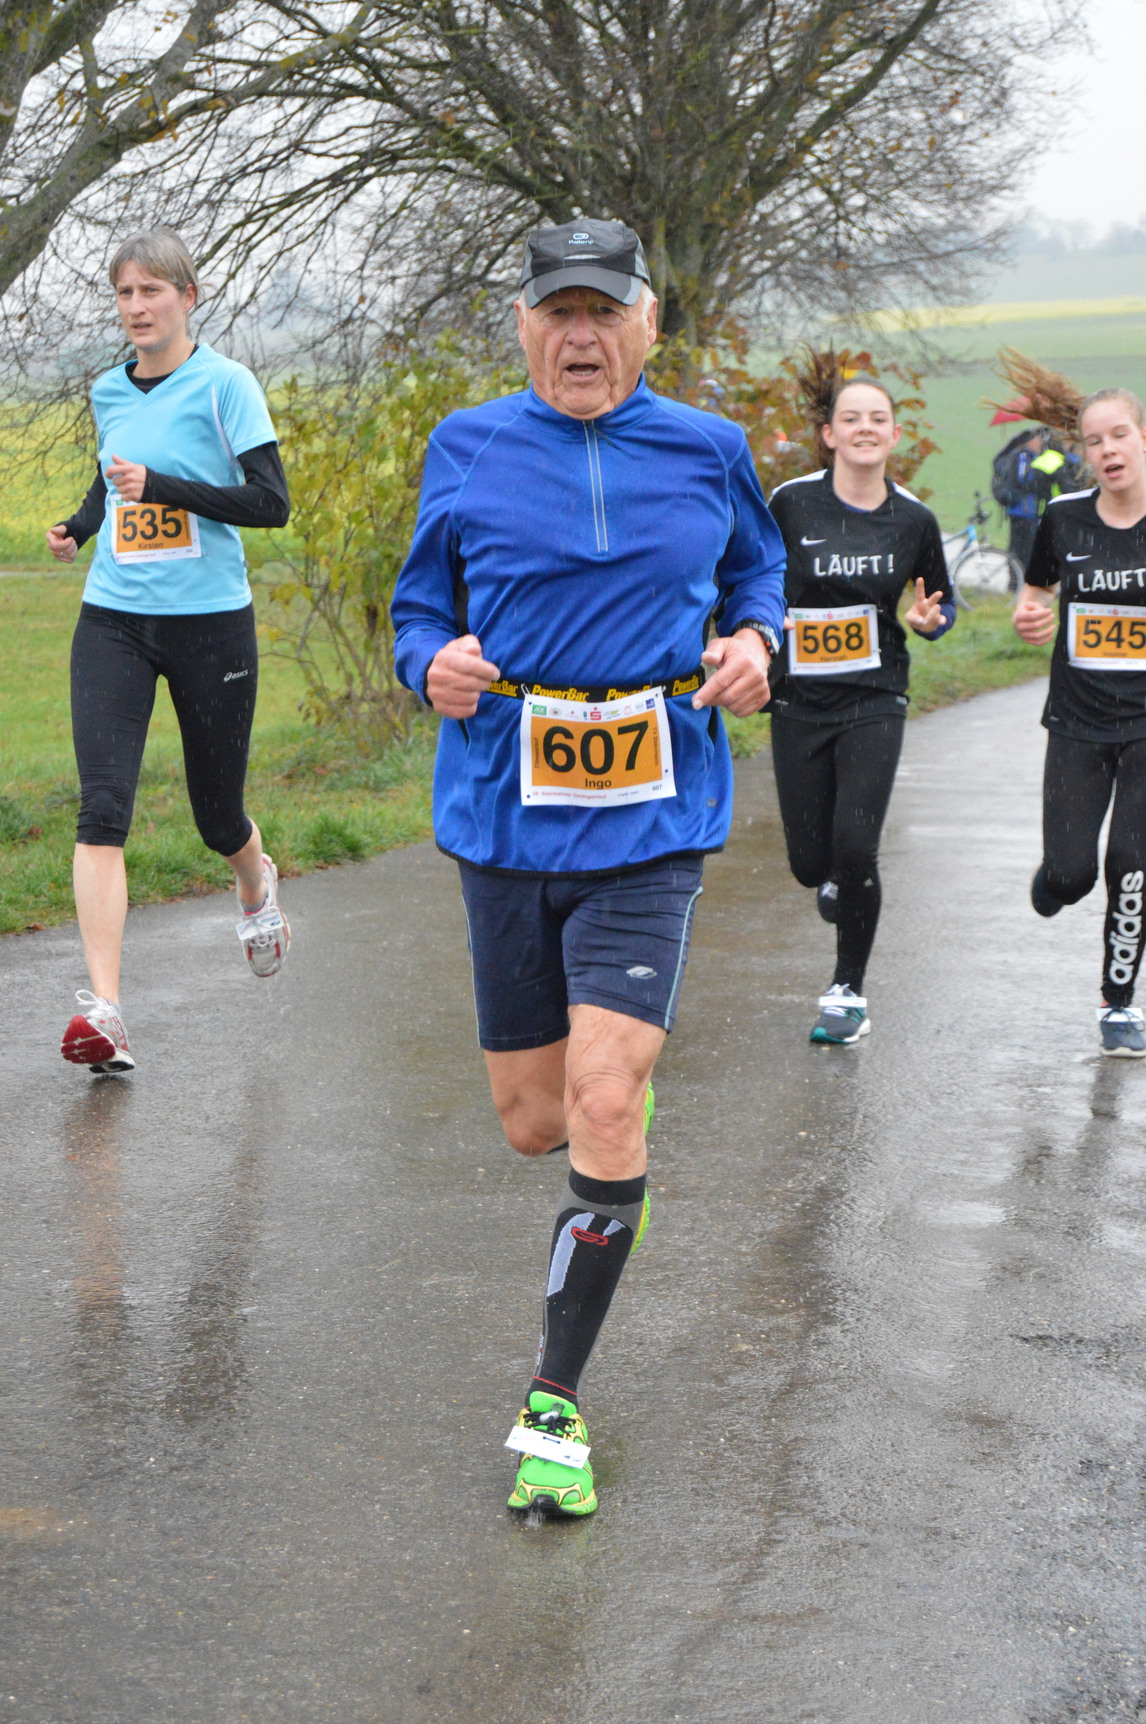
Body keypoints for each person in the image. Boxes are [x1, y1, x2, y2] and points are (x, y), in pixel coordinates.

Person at [391, 218, 786, 1518]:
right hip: (505, 812)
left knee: (605, 1097)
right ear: (521, 325)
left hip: (654, 815)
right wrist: (431, 663)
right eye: (556, 312)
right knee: (536, 1120)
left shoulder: (709, 449)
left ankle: (552, 1409)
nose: (579, 335)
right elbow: (417, 609)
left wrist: (756, 643)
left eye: (602, 311)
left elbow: (757, 574)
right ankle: (610, 1161)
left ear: (647, 323)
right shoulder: (467, 446)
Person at [46, 227, 292, 1077]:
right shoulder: (106, 390)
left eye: (152, 290)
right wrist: (81, 526)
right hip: (112, 620)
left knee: (215, 815)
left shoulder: (227, 386)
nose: (137, 306)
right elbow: (112, 477)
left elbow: (270, 503)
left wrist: (166, 490)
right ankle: (106, 1011)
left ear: (188, 297)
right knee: (101, 808)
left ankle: (254, 881)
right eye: (125, 293)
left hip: (210, 624)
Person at [765, 354, 955, 1044]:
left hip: (876, 697)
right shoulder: (791, 503)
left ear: (894, 435)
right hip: (798, 699)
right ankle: (833, 881)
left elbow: (940, 604)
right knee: (808, 864)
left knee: (856, 845)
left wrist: (930, 622)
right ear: (830, 435)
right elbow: (751, 577)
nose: (866, 428)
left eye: (879, 418)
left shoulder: (914, 519)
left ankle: (847, 992)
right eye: (852, 419)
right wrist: (759, 627)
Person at [1012, 378, 1146, 1057]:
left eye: (1119, 435)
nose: (1108, 450)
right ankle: (1055, 878)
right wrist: (1029, 615)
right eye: (1095, 441)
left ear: (1143, 438)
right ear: (1085, 454)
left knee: (1132, 865)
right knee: (1072, 875)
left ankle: (1118, 1002)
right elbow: (1035, 592)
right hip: (1076, 722)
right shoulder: (1064, 518)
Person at [991, 422, 1083, 584]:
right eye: (1037, 439)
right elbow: (1029, 482)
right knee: (1024, 551)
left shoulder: (1039, 458)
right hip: (1025, 511)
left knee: (1021, 550)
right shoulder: (1030, 457)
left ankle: (1018, 584)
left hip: (1030, 512)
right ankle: (1017, 585)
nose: (1040, 443)